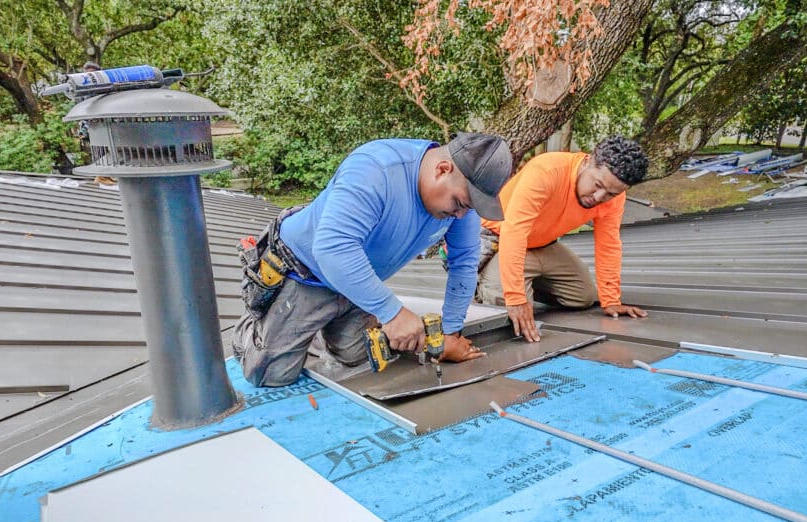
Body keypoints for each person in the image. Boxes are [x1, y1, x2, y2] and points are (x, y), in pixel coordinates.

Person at [232, 132, 513, 388]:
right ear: (442, 170)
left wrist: (451, 331)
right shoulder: (376, 169)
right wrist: (392, 312)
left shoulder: (461, 199)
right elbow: (331, 249)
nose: (462, 216)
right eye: (460, 203)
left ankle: (318, 327)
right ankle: (257, 324)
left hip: (357, 276)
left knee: (360, 357)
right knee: (271, 376)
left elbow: (464, 261)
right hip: (304, 270)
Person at [475, 135, 649, 343]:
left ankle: (526, 281)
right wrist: (516, 296)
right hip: (498, 240)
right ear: (588, 161)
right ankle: (485, 282)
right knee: (508, 306)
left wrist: (611, 300)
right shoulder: (547, 171)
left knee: (583, 297)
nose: (599, 197)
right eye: (597, 185)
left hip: (542, 245)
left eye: (610, 193)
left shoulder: (613, 197)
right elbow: (515, 231)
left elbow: (609, 244)